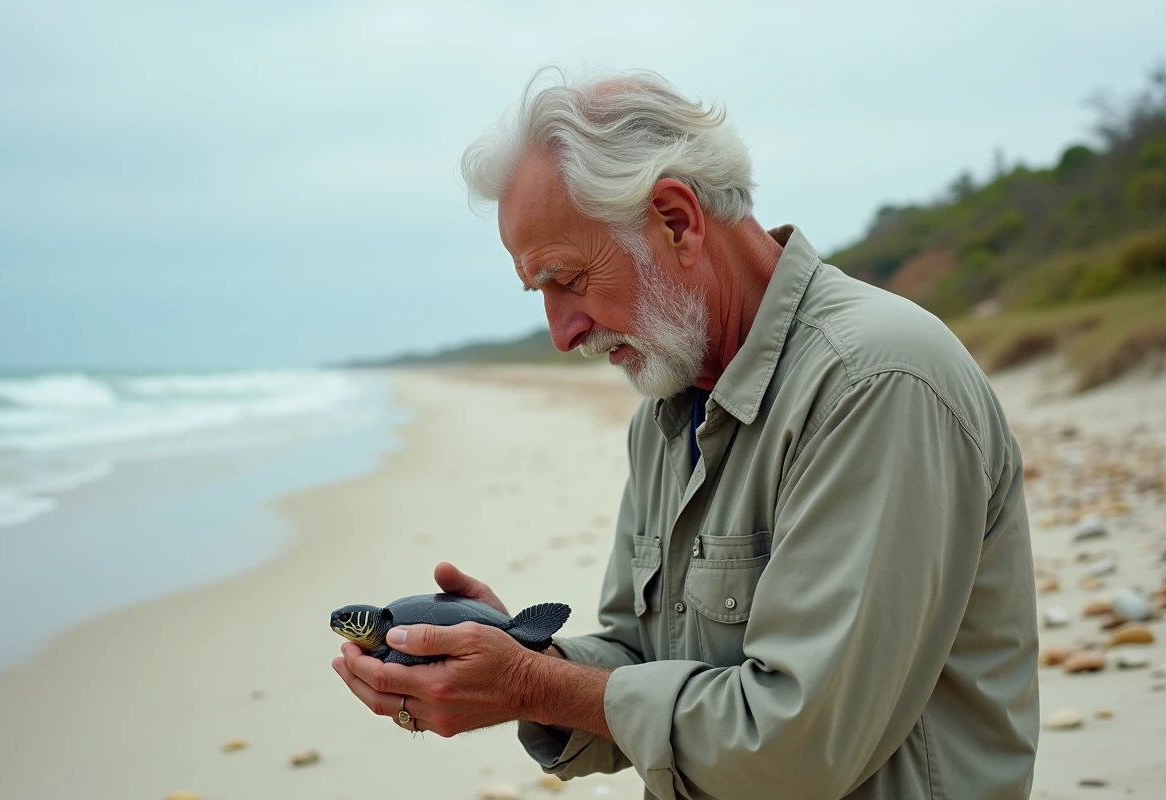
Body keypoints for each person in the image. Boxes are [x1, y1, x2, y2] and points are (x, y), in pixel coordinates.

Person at [332, 66, 1040, 799]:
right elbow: (642, 656)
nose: (560, 332)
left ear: (676, 220)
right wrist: (512, 655)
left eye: (567, 279)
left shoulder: (875, 382)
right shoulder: (669, 407)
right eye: (539, 293)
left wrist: (535, 684)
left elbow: (797, 748)